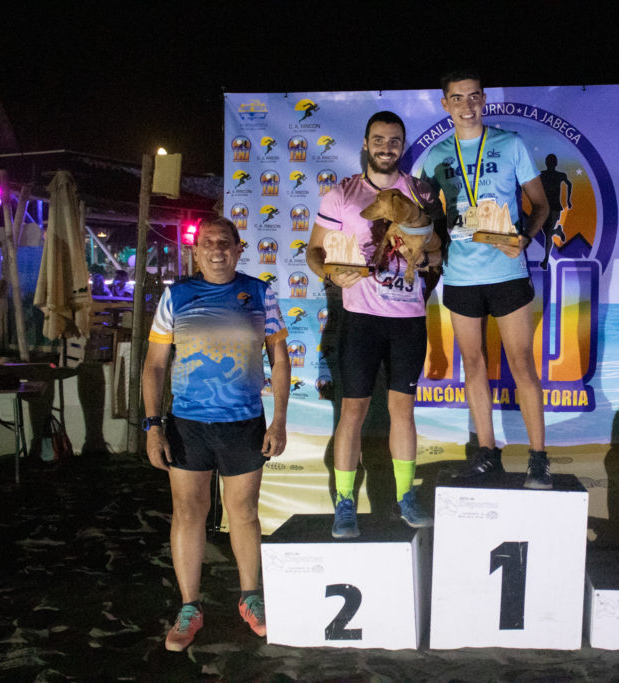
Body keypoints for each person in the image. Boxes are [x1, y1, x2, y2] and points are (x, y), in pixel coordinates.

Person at [142, 216, 289, 651]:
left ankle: (251, 598)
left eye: (225, 242)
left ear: (239, 248)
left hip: (244, 422)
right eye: (207, 243)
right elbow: (154, 365)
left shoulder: (260, 293)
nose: (217, 250)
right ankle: (190, 607)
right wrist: (152, 426)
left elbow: (280, 359)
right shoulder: (176, 296)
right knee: (188, 512)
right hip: (187, 424)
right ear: (196, 251)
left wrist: (279, 420)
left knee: (243, 512)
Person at [306, 111, 443, 539]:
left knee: (403, 410)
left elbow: (438, 252)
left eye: (395, 140)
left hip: (408, 319)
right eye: (379, 140)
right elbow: (314, 251)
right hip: (360, 318)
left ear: (403, 145)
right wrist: (330, 274)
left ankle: (405, 497)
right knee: (352, 411)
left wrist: (426, 256)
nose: (387, 147)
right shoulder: (342, 193)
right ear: (366, 143)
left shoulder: (421, 192)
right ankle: (345, 502)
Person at [420, 69, 551, 489]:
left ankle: (538, 459)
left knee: (521, 363)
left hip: (506, 272)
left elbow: (542, 205)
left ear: (484, 98)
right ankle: (488, 453)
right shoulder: (436, 156)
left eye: (474, 96)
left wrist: (525, 239)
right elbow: (425, 218)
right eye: (458, 98)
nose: (467, 105)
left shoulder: (510, 144)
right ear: (446, 104)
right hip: (461, 275)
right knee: (473, 364)